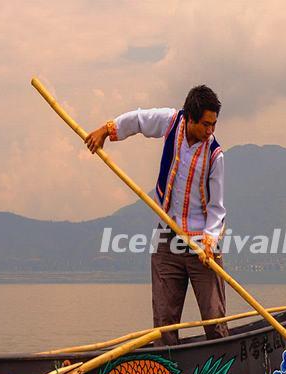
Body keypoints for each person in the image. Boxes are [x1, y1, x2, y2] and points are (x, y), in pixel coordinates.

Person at [85, 86, 229, 346]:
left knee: (214, 319)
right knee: (164, 323)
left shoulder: (215, 154)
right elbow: (139, 120)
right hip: (167, 235)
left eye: (214, 124)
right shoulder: (172, 122)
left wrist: (209, 241)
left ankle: (222, 370)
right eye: (206, 124)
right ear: (191, 119)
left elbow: (217, 208)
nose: (211, 131)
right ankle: (168, 372)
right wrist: (106, 130)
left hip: (201, 244)